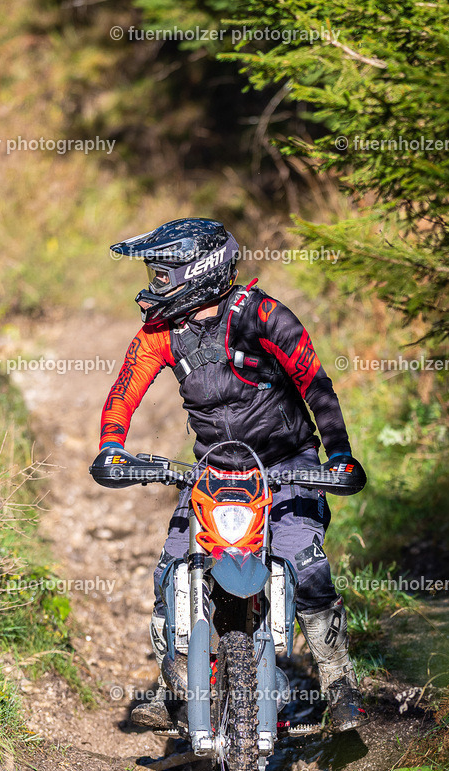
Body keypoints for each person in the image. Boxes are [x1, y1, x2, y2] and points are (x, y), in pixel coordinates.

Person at [98, 218, 368, 733]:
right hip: (216, 469)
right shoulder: (161, 332)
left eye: (162, 274)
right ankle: (174, 684)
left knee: (305, 565)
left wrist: (339, 455)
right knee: (171, 570)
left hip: (290, 466)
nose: (154, 286)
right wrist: (112, 445)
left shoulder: (263, 316)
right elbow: (124, 389)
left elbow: (315, 383)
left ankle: (339, 686)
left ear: (198, 272)